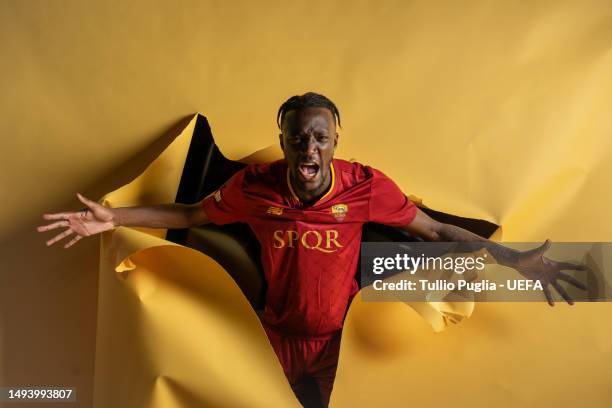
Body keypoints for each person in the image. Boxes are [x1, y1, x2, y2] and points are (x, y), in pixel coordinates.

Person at [38, 92, 585, 407]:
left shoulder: (365, 187)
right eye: (298, 137)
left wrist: (515, 261)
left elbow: (438, 232)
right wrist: (113, 219)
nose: (309, 148)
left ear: (336, 140)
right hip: (272, 336)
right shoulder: (253, 188)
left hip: (338, 345)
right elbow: (187, 216)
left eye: (320, 137)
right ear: (283, 140)